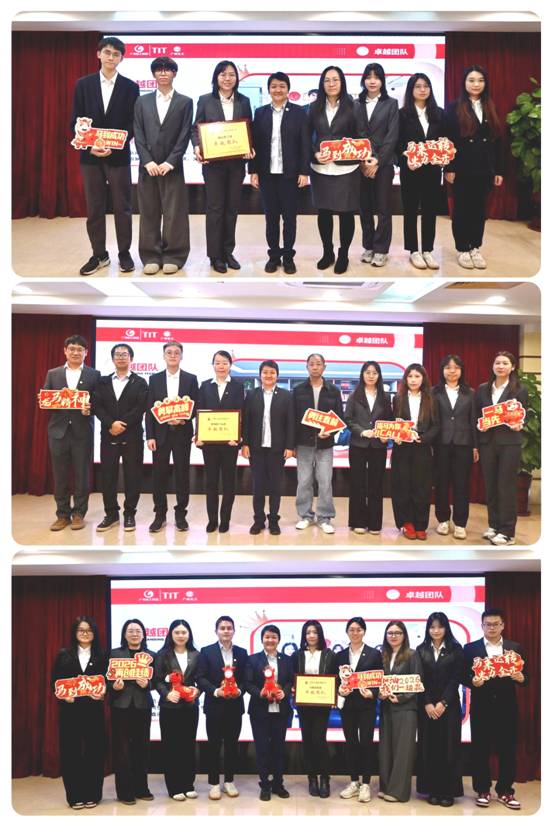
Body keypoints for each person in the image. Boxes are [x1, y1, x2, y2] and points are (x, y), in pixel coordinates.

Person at [71, 36, 140, 275]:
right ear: (98, 54)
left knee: (123, 207)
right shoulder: (83, 84)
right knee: (94, 208)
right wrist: (88, 146)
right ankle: (99, 254)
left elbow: (133, 123)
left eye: (116, 54)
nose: (111, 57)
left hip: (118, 156)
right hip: (90, 157)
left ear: (122, 58)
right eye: (107, 52)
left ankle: (124, 253)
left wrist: (117, 144)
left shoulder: (131, 87)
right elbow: (76, 120)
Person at [192, 60, 255, 273]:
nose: (227, 78)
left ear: (236, 78)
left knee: (232, 209)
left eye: (231, 75)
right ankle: (215, 255)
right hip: (213, 165)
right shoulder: (205, 100)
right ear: (216, 78)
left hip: (236, 165)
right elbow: (195, 128)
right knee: (215, 208)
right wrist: (197, 147)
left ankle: (228, 252)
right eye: (223, 74)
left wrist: (250, 147)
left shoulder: (244, 101)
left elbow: (248, 129)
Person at [133, 57, 193, 275]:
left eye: (168, 70)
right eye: (159, 70)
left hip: (172, 167)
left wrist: (170, 162)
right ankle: (150, 255)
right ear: (154, 74)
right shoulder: (142, 102)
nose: (163, 73)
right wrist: (147, 161)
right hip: (147, 168)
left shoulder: (185, 102)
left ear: (174, 73)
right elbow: (138, 132)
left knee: (174, 213)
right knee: (148, 212)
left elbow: (185, 134)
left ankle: (174, 255)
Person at [463, 608, 527, 810]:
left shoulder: (514, 648)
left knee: (507, 750)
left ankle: (506, 790)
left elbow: (527, 677)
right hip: (481, 707)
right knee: (480, 750)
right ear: (482, 626)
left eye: (495, 624)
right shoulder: (470, 649)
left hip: (507, 707)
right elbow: (462, 675)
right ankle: (482, 790)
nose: (491, 628)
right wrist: (472, 681)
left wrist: (521, 678)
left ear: (502, 625)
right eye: (488, 624)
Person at [249, 72, 310, 274]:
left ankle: (288, 256)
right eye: (274, 86)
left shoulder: (299, 112)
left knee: (290, 219)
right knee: (271, 218)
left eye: (282, 86)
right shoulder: (260, 113)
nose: (278, 90)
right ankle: (274, 256)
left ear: (288, 89)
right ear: (269, 89)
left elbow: (305, 143)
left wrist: (304, 171)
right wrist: (253, 170)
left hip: (290, 175)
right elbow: (255, 143)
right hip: (267, 174)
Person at [444, 65, 504, 269]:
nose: (476, 84)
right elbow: (448, 139)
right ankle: (463, 248)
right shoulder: (453, 107)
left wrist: (498, 170)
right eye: (471, 80)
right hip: (462, 167)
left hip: (485, 168)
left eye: (480, 80)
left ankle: (475, 247)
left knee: (479, 210)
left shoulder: (491, 106)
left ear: (485, 83)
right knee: (462, 209)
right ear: (464, 83)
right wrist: (449, 167)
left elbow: (498, 141)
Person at [42, 335, 100, 531]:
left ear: (86, 353)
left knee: (82, 475)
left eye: (80, 349)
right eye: (72, 349)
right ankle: (62, 515)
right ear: (65, 351)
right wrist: (46, 400)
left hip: (82, 432)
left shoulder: (94, 375)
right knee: (60, 475)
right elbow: (47, 398)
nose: (76, 352)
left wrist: (90, 409)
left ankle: (79, 514)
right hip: (58, 432)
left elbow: (100, 403)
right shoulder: (53, 373)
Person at [308, 66, 362, 274]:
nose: (331, 84)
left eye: (335, 80)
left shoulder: (354, 106)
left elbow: (361, 135)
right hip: (320, 168)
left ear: (342, 82)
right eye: (327, 80)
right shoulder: (314, 107)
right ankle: (327, 252)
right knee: (324, 212)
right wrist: (314, 153)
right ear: (322, 83)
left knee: (346, 213)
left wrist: (361, 154)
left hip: (347, 169)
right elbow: (307, 136)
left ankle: (343, 254)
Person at [51, 617, 107, 809]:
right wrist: (63, 696)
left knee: (95, 752)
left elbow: (107, 682)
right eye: (81, 630)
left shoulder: (102, 655)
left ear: (94, 633)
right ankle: (74, 796)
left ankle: (93, 794)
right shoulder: (63, 655)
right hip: (70, 711)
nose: (85, 633)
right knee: (70, 753)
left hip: (94, 711)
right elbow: (55, 682)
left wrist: (103, 693)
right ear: (75, 632)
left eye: (89, 630)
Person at [92, 343, 148, 532]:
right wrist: (111, 424)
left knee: (133, 476)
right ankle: (111, 514)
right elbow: (97, 406)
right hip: (109, 435)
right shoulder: (102, 381)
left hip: (132, 436)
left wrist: (122, 424)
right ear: (112, 358)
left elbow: (140, 407)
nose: (121, 357)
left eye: (125, 354)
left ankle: (129, 513)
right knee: (108, 476)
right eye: (118, 354)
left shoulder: (140, 382)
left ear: (131, 358)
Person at [474, 351, 529, 546]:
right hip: (487, 443)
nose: (501, 366)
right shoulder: (483, 388)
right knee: (491, 486)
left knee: (506, 487)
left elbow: (524, 414)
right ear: (493, 366)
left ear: (512, 367)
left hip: (509, 443)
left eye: (505, 363)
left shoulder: (519, 389)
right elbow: (477, 415)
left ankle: (507, 532)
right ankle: (494, 525)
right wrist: (479, 430)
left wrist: (519, 424)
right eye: (497, 363)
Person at [145, 340, 199, 533]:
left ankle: (180, 515)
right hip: (160, 435)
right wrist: (150, 436)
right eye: (169, 352)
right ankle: (159, 515)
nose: (173, 355)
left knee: (182, 475)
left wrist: (184, 419)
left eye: (177, 352)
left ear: (181, 356)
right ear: (164, 356)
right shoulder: (155, 379)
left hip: (182, 434)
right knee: (159, 475)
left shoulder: (191, 379)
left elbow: (196, 406)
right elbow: (149, 409)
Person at [196, 615, 249, 800]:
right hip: (214, 706)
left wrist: (239, 690)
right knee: (214, 745)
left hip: (235, 706)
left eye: (229, 628)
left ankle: (229, 781)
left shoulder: (242, 653)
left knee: (232, 746)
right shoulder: (206, 651)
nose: (226, 631)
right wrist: (216, 691)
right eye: (222, 628)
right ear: (216, 631)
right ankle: (213, 784)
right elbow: (200, 677)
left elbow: (246, 678)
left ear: (234, 631)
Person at [397, 73, 445, 270]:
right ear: (411, 90)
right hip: (411, 170)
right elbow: (397, 143)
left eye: (426, 86)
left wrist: (443, 157)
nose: (423, 89)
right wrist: (405, 158)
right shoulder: (402, 114)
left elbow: (445, 140)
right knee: (410, 210)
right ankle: (413, 251)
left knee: (430, 210)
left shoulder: (439, 113)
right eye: (418, 86)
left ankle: (427, 250)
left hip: (432, 170)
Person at [416, 612, 464, 807]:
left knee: (449, 748)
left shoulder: (456, 649)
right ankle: (432, 790)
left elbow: (456, 678)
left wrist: (443, 703)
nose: (436, 631)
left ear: (446, 628)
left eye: (440, 627)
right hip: (426, 707)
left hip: (449, 707)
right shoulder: (421, 650)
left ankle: (448, 791)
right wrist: (427, 703)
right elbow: (419, 679)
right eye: (432, 627)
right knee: (429, 748)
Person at [241, 360, 294, 535]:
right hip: (256, 449)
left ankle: (273, 520)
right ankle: (258, 520)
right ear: (260, 375)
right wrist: (245, 443)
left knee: (275, 487)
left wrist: (289, 446)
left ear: (277, 375)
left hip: (277, 449)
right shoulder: (252, 395)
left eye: (272, 372)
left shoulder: (286, 396)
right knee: (258, 487)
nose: (268, 375)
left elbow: (290, 423)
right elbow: (246, 421)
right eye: (265, 372)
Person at [293, 353, 344, 534]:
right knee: (304, 481)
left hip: (325, 444)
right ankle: (305, 516)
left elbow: (339, 418)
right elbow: (293, 418)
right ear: (306, 366)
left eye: (318, 364)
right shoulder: (298, 390)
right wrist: (292, 445)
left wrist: (331, 431)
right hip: (303, 443)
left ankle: (324, 517)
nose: (315, 367)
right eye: (311, 364)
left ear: (324, 366)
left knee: (325, 481)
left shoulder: (333, 390)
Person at [355, 63, 399, 268]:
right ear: (364, 79)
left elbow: (392, 135)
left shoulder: (391, 104)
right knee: (364, 207)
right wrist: (363, 160)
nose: (372, 81)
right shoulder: (355, 104)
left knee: (383, 208)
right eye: (369, 77)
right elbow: (355, 134)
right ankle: (368, 246)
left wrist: (378, 160)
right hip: (361, 163)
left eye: (377, 77)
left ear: (382, 80)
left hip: (384, 163)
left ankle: (381, 249)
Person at [196, 350, 245, 533]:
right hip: (209, 444)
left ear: (230, 365)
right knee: (211, 483)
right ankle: (212, 520)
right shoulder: (205, 386)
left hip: (229, 443)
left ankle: (225, 520)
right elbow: (199, 412)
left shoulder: (238, 386)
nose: (221, 366)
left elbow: (242, 412)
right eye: (217, 363)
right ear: (213, 365)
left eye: (224, 362)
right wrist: (198, 435)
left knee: (229, 483)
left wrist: (239, 436)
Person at [334, 617, 382, 802]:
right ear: (347, 632)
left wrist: (373, 693)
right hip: (347, 707)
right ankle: (354, 782)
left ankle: (366, 784)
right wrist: (339, 690)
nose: (355, 633)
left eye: (359, 629)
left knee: (367, 744)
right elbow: (335, 681)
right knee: (351, 743)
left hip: (367, 706)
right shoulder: (340, 655)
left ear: (364, 632)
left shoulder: (374, 654)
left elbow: (380, 679)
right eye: (352, 630)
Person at [108, 619, 156, 805]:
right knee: (122, 750)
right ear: (124, 634)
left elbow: (158, 680)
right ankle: (124, 792)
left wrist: (148, 684)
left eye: (138, 631)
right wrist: (114, 686)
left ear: (143, 634)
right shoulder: (114, 654)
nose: (134, 634)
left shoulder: (151, 655)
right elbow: (105, 679)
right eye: (130, 631)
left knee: (142, 748)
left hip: (142, 706)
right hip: (120, 706)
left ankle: (141, 788)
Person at [245, 625, 294, 801]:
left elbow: (290, 681)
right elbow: (247, 683)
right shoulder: (252, 659)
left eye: (274, 637)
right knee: (262, 749)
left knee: (279, 749)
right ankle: (265, 784)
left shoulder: (287, 660)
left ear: (278, 640)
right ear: (262, 639)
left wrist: (284, 692)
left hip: (281, 711)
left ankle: (278, 784)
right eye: (267, 637)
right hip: (260, 710)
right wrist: (260, 693)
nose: (270, 640)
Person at [391, 363, 439, 540]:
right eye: (410, 376)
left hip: (422, 447)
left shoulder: (431, 399)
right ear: (405, 379)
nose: (413, 380)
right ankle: (407, 522)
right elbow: (393, 423)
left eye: (417, 376)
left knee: (422, 487)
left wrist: (424, 438)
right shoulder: (398, 399)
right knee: (403, 486)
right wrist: (395, 436)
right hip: (402, 448)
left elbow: (436, 426)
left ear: (423, 379)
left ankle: (420, 524)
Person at [432, 354, 478, 539]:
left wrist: (475, 446)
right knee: (441, 484)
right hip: (440, 444)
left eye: (456, 368)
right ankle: (443, 520)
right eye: (448, 367)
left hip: (463, 444)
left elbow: (473, 420)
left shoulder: (471, 393)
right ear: (442, 370)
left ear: (461, 370)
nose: (452, 371)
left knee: (462, 485)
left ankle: (460, 523)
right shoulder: (434, 392)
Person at [344, 360, 393, 535]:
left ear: (379, 375)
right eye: (368, 372)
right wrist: (362, 432)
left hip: (378, 446)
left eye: (374, 373)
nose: (371, 376)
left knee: (376, 484)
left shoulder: (385, 397)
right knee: (357, 483)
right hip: (358, 444)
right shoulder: (354, 395)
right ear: (362, 374)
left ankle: (374, 523)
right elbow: (348, 419)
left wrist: (386, 434)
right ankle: (357, 521)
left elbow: (389, 420)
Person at [154, 620, 201, 800]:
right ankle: (174, 787)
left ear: (189, 634)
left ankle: (188, 784)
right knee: (171, 747)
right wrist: (166, 694)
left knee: (188, 746)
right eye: (177, 632)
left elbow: (201, 678)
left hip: (190, 707)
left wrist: (198, 690)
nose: (181, 636)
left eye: (184, 632)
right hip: (170, 708)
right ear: (171, 634)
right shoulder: (162, 655)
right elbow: (157, 680)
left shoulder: (196, 655)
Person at [378, 620, 423, 803]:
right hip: (386, 708)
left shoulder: (412, 654)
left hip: (406, 709)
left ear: (404, 635)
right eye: (390, 633)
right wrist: (379, 694)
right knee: (385, 749)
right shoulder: (382, 655)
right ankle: (385, 787)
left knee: (403, 751)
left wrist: (402, 697)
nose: (393, 636)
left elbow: (417, 682)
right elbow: (377, 681)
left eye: (397, 633)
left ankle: (399, 792)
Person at [291, 621, 336, 798]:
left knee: (319, 740)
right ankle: (312, 778)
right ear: (304, 635)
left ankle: (324, 778)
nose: (311, 636)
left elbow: (335, 677)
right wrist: (293, 688)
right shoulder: (297, 655)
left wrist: (333, 692)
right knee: (307, 741)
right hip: (304, 705)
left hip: (322, 705)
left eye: (315, 632)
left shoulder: (329, 654)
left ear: (320, 635)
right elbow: (292, 677)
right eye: (308, 632)